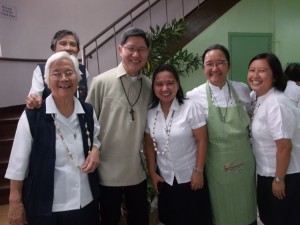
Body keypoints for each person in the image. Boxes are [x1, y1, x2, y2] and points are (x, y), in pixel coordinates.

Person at [5, 51, 101, 225]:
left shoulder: (87, 111)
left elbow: (95, 138)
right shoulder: (33, 116)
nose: (64, 78)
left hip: (85, 202)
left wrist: (95, 149)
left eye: (69, 73)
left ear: (78, 78)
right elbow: (18, 163)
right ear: (47, 81)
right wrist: (15, 202)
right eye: (56, 74)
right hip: (47, 208)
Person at [86, 27, 152, 225]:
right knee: (108, 219)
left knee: (140, 218)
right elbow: (88, 124)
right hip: (106, 170)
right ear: (120, 49)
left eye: (141, 49)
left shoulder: (149, 86)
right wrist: (93, 149)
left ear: (147, 53)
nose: (135, 54)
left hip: (136, 170)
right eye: (130, 48)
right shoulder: (100, 82)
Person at [186, 44, 257, 225]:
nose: (215, 68)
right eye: (209, 64)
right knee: (222, 211)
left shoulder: (242, 89)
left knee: (246, 207)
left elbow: (252, 116)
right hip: (216, 164)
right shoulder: (194, 96)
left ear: (229, 66)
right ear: (203, 68)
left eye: (220, 63)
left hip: (244, 161)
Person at [144, 64, 212, 225]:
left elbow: (202, 140)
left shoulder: (190, 107)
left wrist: (199, 171)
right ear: (154, 87)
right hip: (166, 180)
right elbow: (148, 144)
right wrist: (152, 172)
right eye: (159, 84)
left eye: (170, 83)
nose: (165, 88)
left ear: (178, 84)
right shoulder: (150, 112)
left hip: (191, 177)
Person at [247, 53, 300, 225]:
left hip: (285, 175)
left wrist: (279, 179)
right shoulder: (259, 98)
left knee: (282, 218)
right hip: (267, 172)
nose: (255, 75)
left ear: (275, 75)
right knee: (269, 217)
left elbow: (284, 147)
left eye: (262, 71)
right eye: (252, 70)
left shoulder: (277, 103)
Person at [26, 29, 90, 109]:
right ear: (53, 49)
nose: (68, 48)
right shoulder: (41, 69)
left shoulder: (84, 70)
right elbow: (35, 97)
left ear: (77, 51)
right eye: (63, 44)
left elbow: (89, 99)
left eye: (73, 44)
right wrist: (34, 100)